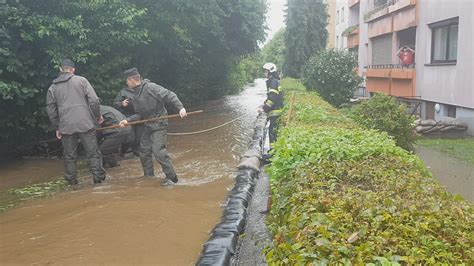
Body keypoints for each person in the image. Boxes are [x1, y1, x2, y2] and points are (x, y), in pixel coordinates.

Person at [118, 67, 187, 186]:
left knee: (158, 151)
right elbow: (140, 114)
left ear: (132, 80)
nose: (126, 83)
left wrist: (181, 107)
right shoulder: (135, 94)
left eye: (127, 81)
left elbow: (169, 95)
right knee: (143, 151)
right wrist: (127, 120)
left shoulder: (151, 87)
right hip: (148, 125)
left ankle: (172, 178)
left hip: (159, 123)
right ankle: (148, 176)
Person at [46, 59, 106, 185]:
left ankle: (72, 182)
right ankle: (98, 179)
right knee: (93, 152)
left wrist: (57, 127)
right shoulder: (81, 80)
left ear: (61, 70)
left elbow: (51, 110)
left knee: (69, 156)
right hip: (85, 123)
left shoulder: (52, 88)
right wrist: (97, 115)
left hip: (66, 126)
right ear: (73, 70)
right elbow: (94, 100)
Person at [113, 86, 143, 156]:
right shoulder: (122, 92)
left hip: (140, 116)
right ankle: (122, 151)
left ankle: (136, 152)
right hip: (127, 117)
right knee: (130, 138)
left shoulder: (141, 90)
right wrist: (121, 103)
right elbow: (115, 104)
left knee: (139, 137)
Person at [259, 63, 284, 146]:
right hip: (276, 110)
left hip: (275, 112)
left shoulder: (273, 82)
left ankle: (272, 154)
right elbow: (272, 96)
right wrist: (264, 104)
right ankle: (272, 152)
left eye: (266, 71)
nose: (264, 73)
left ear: (270, 72)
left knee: (272, 133)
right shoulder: (274, 81)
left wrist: (264, 109)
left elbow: (272, 99)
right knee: (273, 132)